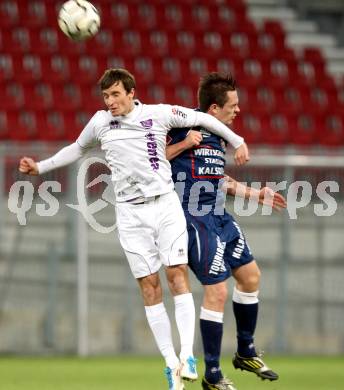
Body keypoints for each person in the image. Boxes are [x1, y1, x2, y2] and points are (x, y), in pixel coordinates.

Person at [18, 69, 250, 390]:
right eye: (105, 96)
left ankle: (187, 356)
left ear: (131, 92)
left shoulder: (158, 114)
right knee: (150, 287)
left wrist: (236, 140)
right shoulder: (101, 122)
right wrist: (40, 167)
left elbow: (207, 121)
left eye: (115, 95)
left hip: (164, 205)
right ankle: (170, 363)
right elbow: (76, 148)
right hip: (130, 213)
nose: (109, 102)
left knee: (177, 276)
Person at [166, 72, 287, 390]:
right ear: (215, 107)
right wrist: (180, 145)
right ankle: (213, 374)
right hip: (194, 219)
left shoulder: (217, 137)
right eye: (233, 105)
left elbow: (219, 180)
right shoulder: (181, 126)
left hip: (219, 215)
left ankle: (245, 351)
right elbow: (151, 162)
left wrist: (255, 195)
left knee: (250, 277)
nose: (237, 111)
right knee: (217, 291)